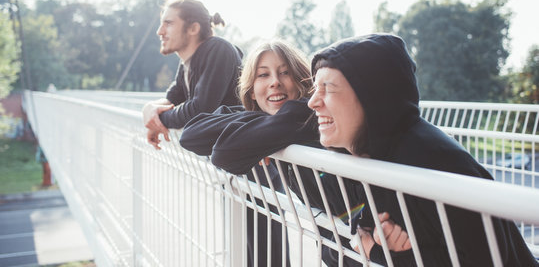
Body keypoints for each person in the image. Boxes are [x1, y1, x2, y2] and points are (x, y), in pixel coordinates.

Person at [307, 33, 538, 266]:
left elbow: (486, 260)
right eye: (315, 88)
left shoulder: (437, 163)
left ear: (373, 96)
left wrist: (384, 254)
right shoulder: (367, 155)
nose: (313, 102)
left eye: (328, 88)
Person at [181, 40, 364, 267]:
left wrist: (263, 135)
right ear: (251, 89)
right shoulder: (280, 121)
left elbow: (223, 154)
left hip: (366, 243)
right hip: (345, 244)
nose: (275, 82)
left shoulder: (305, 114)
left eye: (285, 73)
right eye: (263, 75)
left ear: (301, 80)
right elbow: (190, 135)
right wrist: (264, 126)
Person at [142, 0, 243, 149]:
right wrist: (149, 108)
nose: (159, 31)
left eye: (168, 23)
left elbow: (200, 109)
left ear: (193, 29)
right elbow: (173, 99)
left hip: (265, 166)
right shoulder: (187, 63)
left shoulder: (218, 50)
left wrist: (158, 119)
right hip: (235, 161)